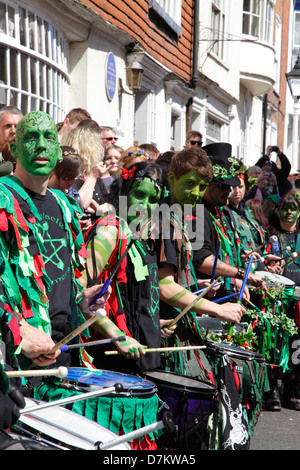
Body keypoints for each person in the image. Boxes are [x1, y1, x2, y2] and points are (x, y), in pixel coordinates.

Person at [0, 110, 110, 371]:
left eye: (49, 137)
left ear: (58, 152)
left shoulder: (65, 205)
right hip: (17, 352)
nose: (40, 145)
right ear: (14, 148)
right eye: (30, 137)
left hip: (63, 348)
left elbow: (57, 277)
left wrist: (80, 299)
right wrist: (22, 329)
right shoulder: (2, 200)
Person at [190, 143, 265, 301]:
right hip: (206, 300)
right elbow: (202, 260)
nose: (229, 191)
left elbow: (224, 249)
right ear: (209, 185)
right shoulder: (196, 211)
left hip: (229, 294)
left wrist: (241, 258)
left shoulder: (223, 211)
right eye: (224, 187)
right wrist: (240, 273)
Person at [62, 125, 109, 218]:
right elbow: (77, 206)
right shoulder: (69, 176)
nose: (102, 146)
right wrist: (92, 177)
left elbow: (113, 205)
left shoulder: (93, 173)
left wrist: (99, 210)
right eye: (97, 141)